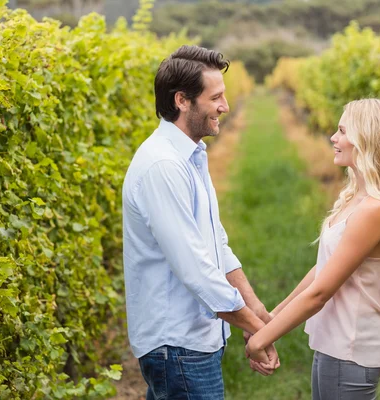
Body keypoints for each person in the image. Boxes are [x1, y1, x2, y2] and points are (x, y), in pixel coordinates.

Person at [122, 45, 279, 400]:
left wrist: (255, 310)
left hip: (192, 341)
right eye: (216, 97)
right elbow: (196, 269)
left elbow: (215, 246)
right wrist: (258, 331)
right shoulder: (163, 166)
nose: (225, 106)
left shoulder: (191, 155)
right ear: (182, 100)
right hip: (177, 345)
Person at [246, 99, 380, 399]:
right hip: (336, 344)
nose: (333, 138)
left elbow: (320, 293)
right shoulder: (357, 198)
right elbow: (324, 268)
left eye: (342, 131)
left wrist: (260, 340)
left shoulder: (375, 210)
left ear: (366, 138)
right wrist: (272, 317)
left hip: (350, 348)